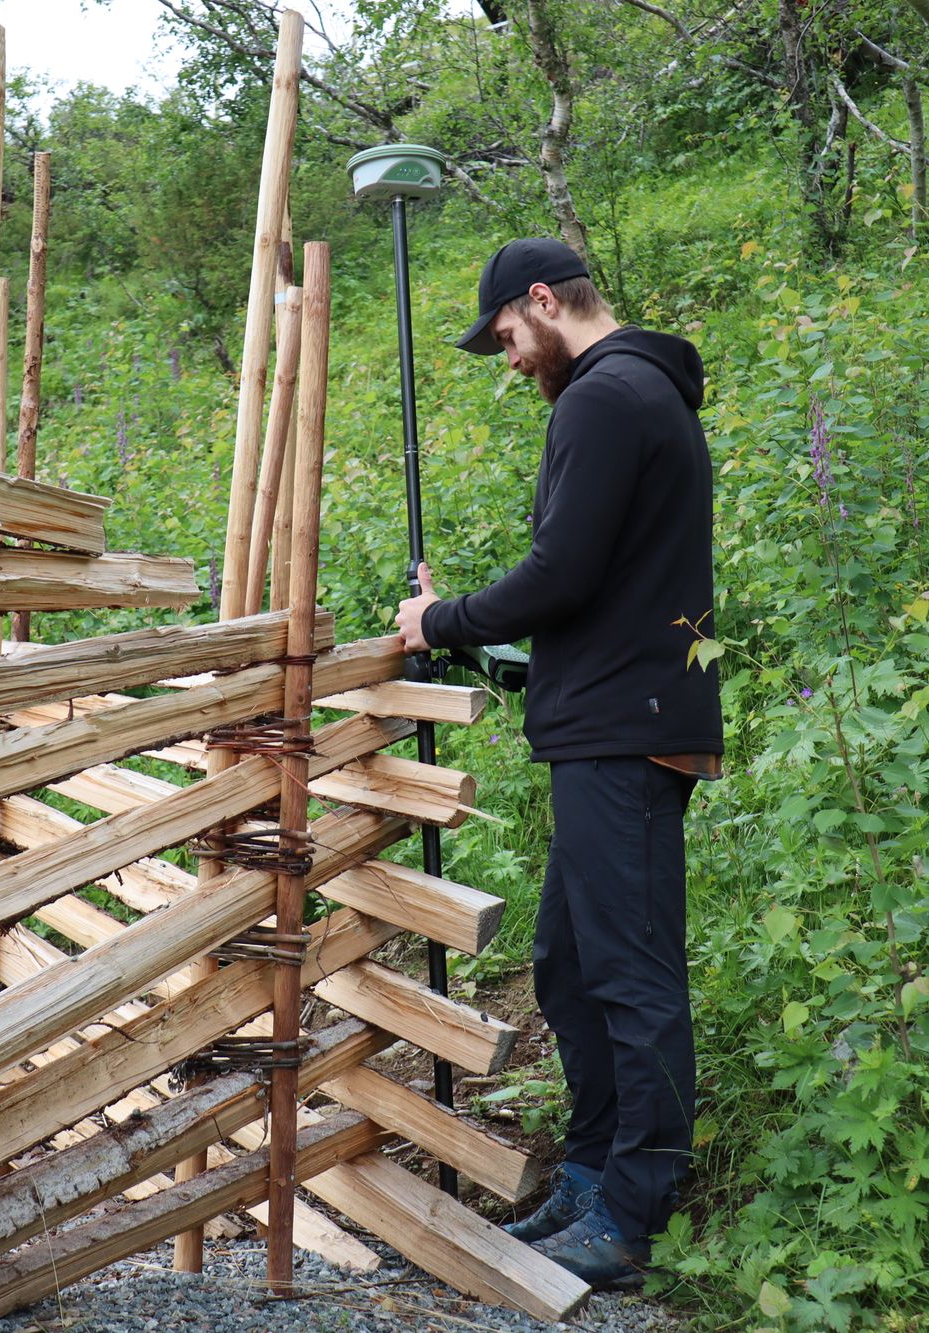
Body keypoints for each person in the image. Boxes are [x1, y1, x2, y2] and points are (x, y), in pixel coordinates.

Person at [395, 237, 723, 1289]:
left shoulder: (603, 395)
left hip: (625, 731)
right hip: (610, 719)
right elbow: (598, 584)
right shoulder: (637, 393)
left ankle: (628, 1217)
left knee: (629, 978)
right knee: (571, 970)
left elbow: (561, 572)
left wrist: (438, 618)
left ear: (542, 300)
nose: (508, 360)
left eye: (504, 336)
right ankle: (589, 1175)